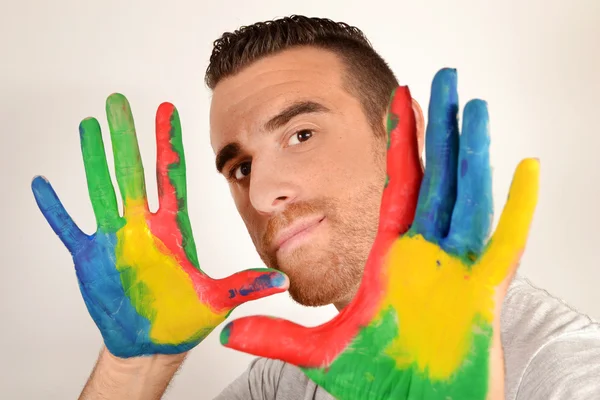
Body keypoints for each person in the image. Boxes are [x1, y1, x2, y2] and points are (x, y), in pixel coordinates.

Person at [31, 15, 600, 400]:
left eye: (301, 134)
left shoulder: (561, 365)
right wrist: (135, 367)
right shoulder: (283, 381)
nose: (260, 195)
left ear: (404, 136)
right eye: (241, 168)